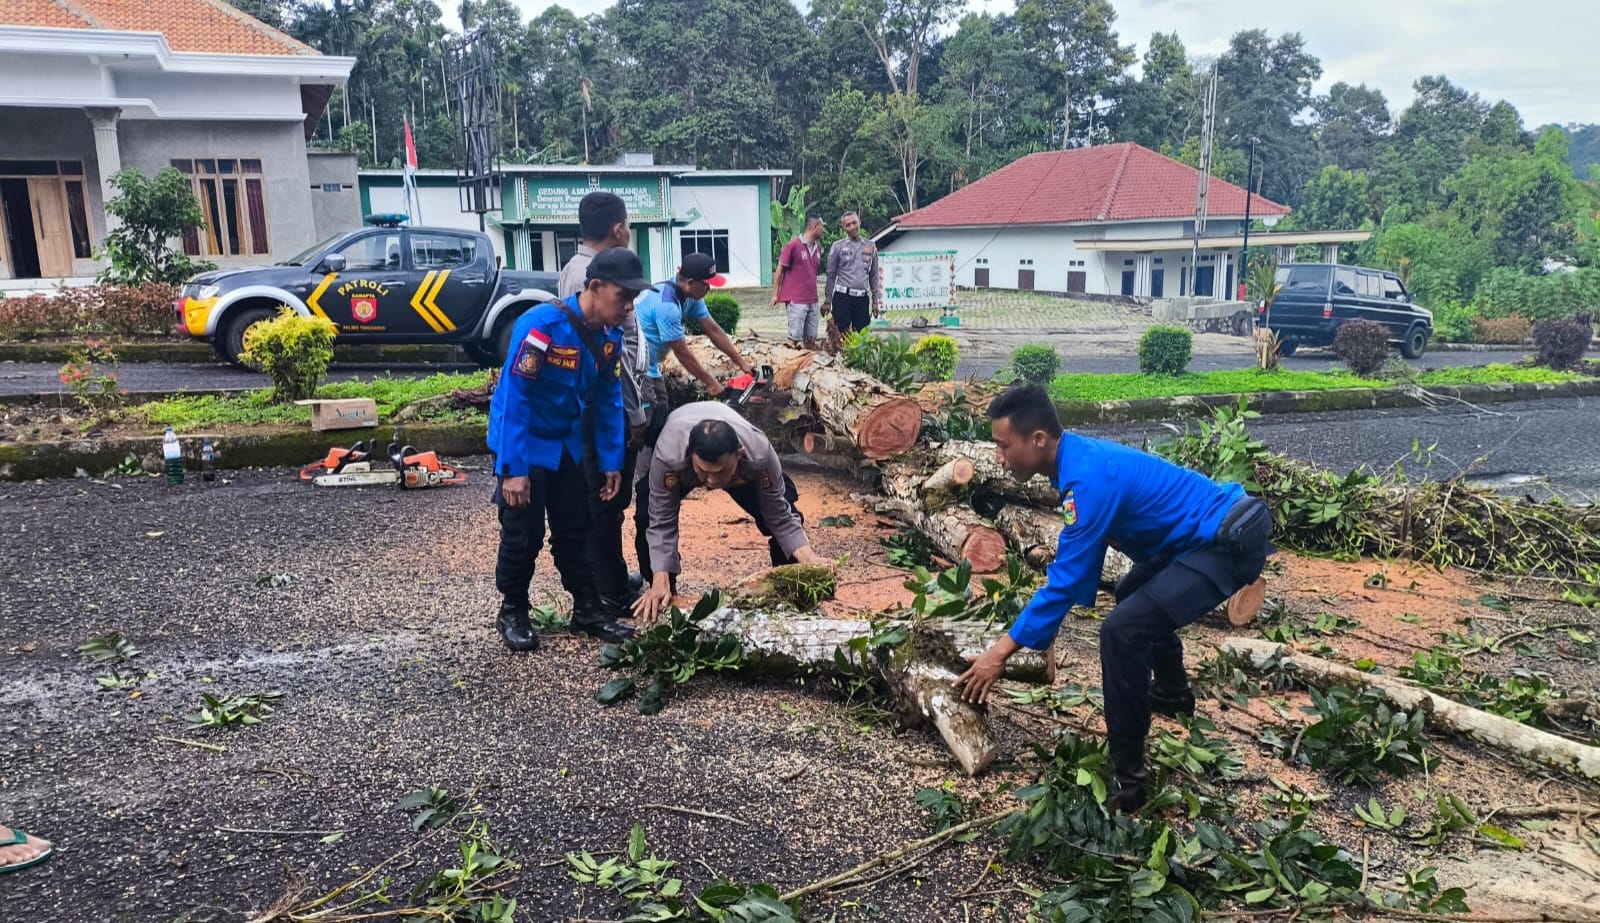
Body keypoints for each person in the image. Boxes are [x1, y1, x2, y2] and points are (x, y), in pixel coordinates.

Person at [953, 384, 1274, 812]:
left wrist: (1000, 652)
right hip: (1192, 541)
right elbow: (1075, 567)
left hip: (1223, 542)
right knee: (1129, 591)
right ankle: (1175, 695)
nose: (999, 457)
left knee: (1122, 630)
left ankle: (1130, 779)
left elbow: (1065, 579)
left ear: (1038, 440)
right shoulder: (1075, 461)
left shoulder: (1086, 480)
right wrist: (1042, 638)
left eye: (1002, 445)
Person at [487, 247, 648, 651]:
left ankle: (588, 609)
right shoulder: (542, 328)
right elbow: (516, 398)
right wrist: (514, 469)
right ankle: (513, 609)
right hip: (524, 441)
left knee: (577, 527)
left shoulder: (609, 338)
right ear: (595, 287)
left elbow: (610, 400)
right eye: (622, 297)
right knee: (523, 533)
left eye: (633, 299)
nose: (628, 307)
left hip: (566, 444)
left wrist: (612, 462)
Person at [631, 402, 828, 621]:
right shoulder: (669, 455)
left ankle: (791, 593)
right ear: (692, 456)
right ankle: (664, 594)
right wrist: (660, 576)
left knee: (788, 503)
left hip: (740, 474)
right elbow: (661, 521)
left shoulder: (758, 452)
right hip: (682, 456)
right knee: (645, 516)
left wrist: (810, 558)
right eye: (704, 472)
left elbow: (779, 515)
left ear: (740, 454)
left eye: (719, 471)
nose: (712, 481)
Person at [558, 192, 650, 621]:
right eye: (627, 224)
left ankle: (610, 577)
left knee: (606, 499)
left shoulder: (577, 269)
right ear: (618, 228)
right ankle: (608, 591)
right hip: (604, 408)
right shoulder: (591, 277)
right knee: (606, 500)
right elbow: (611, 364)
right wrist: (634, 414)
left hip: (605, 403)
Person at [634, 251, 755, 439]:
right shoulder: (667, 304)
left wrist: (742, 363)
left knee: (662, 414)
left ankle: (654, 464)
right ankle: (641, 468)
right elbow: (681, 352)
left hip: (651, 365)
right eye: (706, 285)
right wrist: (710, 382)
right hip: (635, 367)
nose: (710, 290)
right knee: (647, 424)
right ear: (690, 282)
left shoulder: (690, 296)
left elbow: (713, 330)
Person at [772, 215, 826, 349]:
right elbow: (780, 269)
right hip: (796, 299)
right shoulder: (793, 245)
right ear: (814, 227)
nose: (823, 230)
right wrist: (775, 294)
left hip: (812, 299)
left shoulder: (818, 248)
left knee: (811, 339)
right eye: (822, 227)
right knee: (794, 337)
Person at [823, 211, 881, 335]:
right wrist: (828, 300)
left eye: (854, 223)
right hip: (843, 298)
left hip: (862, 299)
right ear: (843, 228)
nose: (852, 227)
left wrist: (875, 301)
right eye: (848, 225)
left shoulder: (871, 246)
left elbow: (874, 275)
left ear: (859, 221)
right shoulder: (837, 246)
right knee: (839, 336)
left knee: (861, 337)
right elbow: (831, 274)